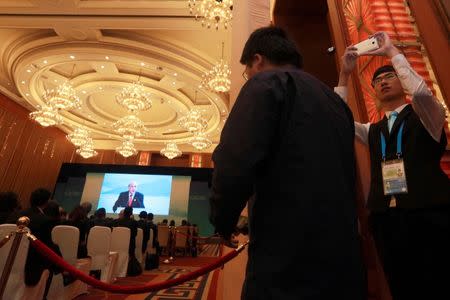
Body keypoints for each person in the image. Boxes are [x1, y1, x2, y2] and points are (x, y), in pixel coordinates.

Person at [209, 25, 366, 299]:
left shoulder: (265, 83)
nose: (248, 76)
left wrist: (222, 220)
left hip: (286, 258)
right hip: (342, 255)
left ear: (257, 60)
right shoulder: (336, 102)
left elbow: (234, 160)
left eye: (247, 71)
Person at [337, 31, 450, 299]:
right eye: (377, 81)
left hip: (429, 214)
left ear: (402, 82)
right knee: (402, 286)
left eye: (390, 77)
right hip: (387, 220)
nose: (383, 82)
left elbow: (421, 94)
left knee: (439, 282)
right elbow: (337, 119)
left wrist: (391, 52)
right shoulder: (371, 130)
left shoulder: (427, 115)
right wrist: (344, 75)